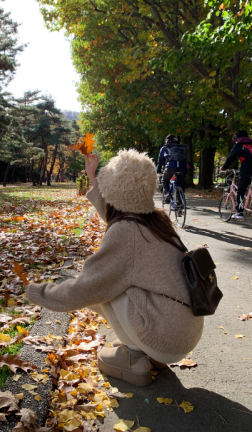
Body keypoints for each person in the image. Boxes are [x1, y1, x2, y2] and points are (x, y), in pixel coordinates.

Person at [25, 149, 203, 386]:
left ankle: (133, 356)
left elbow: (86, 288)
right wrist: (92, 177)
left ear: (116, 193)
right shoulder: (155, 219)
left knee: (105, 288)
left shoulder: (126, 232)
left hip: (164, 337)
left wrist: (39, 293)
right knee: (114, 283)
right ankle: (147, 350)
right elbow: (117, 214)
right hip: (183, 332)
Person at [220, 129, 252, 220]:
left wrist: (223, 168)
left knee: (240, 191)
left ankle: (240, 212)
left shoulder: (239, 146)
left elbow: (230, 158)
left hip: (247, 170)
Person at [157, 134, 187, 204]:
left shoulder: (164, 148)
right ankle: (180, 202)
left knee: (164, 180)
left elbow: (160, 162)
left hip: (171, 167)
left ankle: (167, 193)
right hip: (182, 167)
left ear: (167, 140)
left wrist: (157, 171)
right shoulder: (181, 147)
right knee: (181, 183)